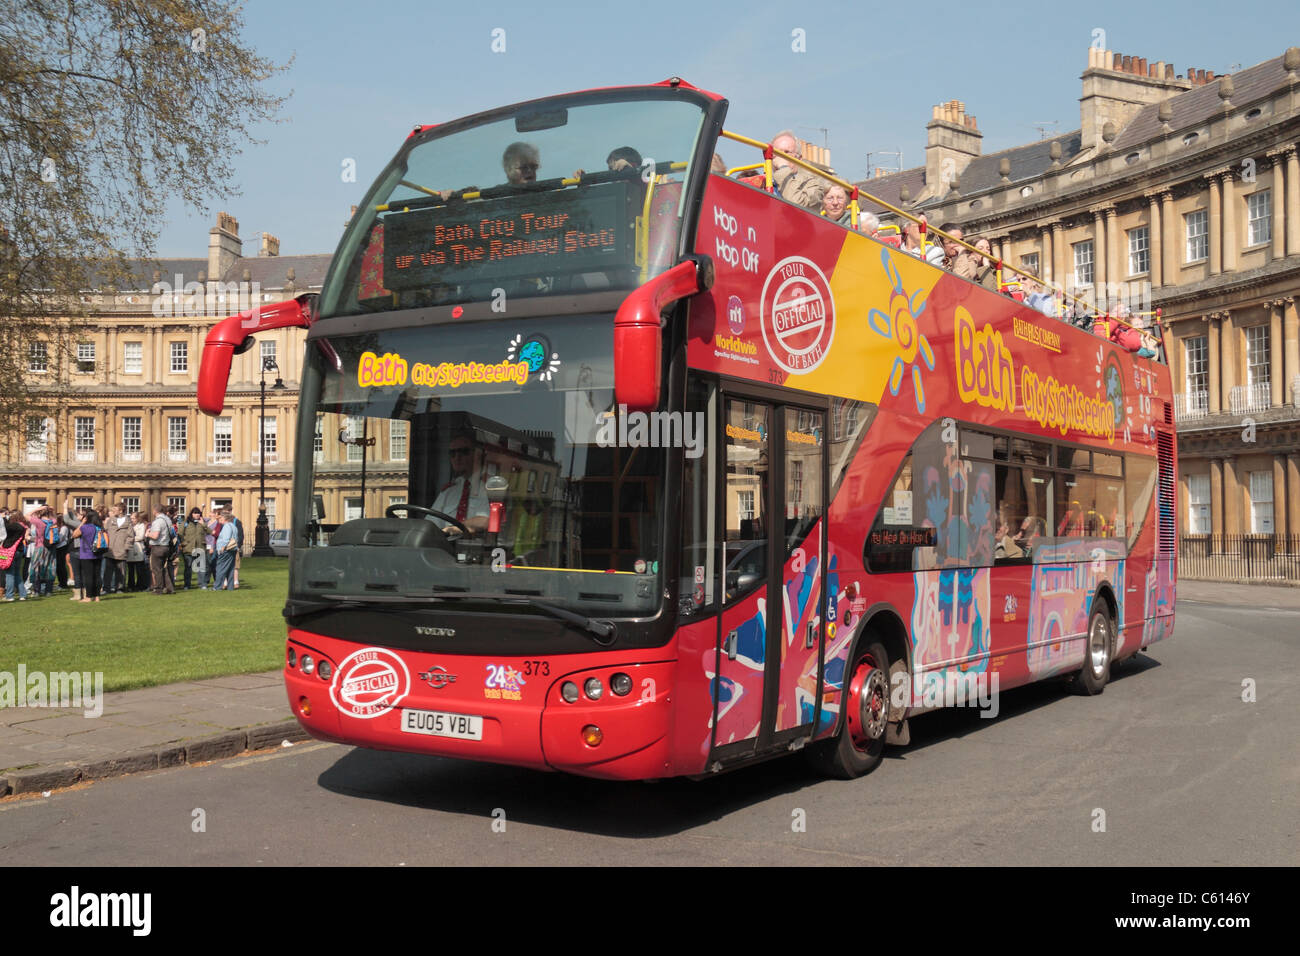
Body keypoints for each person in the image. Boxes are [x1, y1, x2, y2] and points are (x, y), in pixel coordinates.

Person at [429, 431, 490, 534]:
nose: (457, 457)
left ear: (477, 455)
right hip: (444, 546)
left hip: (475, 547)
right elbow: (430, 523)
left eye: (464, 451)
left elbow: (485, 520)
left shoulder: (489, 485)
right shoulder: (449, 490)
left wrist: (452, 529)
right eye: (453, 453)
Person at [770, 130, 826, 210]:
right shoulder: (762, 182)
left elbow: (797, 207)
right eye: (776, 152)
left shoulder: (812, 185)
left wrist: (783, 168)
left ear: (799, 159)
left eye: (786, 152)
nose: (781, 156)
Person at [70, 506, 104, 602]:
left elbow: (74, 535)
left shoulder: (85, 527)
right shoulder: (100, 527)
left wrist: (82, 523)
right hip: (98, 553)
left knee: (88, 575)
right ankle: (97, 596)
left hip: (86, 553)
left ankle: (88, 597)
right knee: (97, 575)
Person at [105, 504, 134, 595]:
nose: (113, 511)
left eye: (115, 510)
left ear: (121, 511)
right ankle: (106, 588)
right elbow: (104, 532)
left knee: (121, 570)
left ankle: (120, 588)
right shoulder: (110, 520)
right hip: (110, 549)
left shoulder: (128, 522)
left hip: (121, 549)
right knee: (108, 571)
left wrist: (126, 547)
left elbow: (131, 536)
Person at [146, 504, 174, 594]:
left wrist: (147, 534)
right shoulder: (168, 520)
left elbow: (155, 535)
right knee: (163, 568)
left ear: (155, 511)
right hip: (166, 546)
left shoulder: (157, 521)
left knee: (156, 568)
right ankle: (170, 588)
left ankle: (158, 589)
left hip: (158, 547)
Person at [2, 511, 28, 602]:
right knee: (17, 574)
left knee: (9, 574)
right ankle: (22, 594)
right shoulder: (23, 527)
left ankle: (10, 595)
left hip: (10, 552)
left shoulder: (14, 526)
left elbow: (4, 527)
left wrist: (3, 518)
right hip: (19, 551)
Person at [181, 508, 207, 590]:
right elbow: (180, 533)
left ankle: (202, 584)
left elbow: (209, 531)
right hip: (188, 548)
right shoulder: (186, 522)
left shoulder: (202, 522)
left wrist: (203, 524)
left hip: (200, 548)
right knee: (188, 568)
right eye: (195, 513)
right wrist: (184, 543)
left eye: (198, 513)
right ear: (191, 514)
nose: (197, 514)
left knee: (201, 567)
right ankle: (187, 585)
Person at [212, 513, 238, 591]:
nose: (220, 520)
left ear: (226, 519)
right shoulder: (234, 526)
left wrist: (222, 548)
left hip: (225, 550)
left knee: (220, 568)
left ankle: (217, 587)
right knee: (230, 569)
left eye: (221, 518)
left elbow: (226, 538)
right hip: (232, 549)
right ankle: (230, 587)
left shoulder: (227, 526)